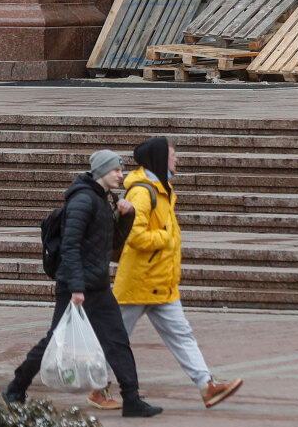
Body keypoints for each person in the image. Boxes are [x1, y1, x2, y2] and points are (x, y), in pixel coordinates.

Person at [3, 149, 163, 418]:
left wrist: (126, 216)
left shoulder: (103, 199)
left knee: (117, 340)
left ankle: (132, 399)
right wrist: (76, 287)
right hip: (74, 286)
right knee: (55, 340)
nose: (121, 175)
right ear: (102, 171)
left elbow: (113, 245)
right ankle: (16, 388)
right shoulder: (82, 200)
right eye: (116, 170)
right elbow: (70, 246)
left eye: (121, 170)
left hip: (97, 285)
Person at [93, 135, 243, 410]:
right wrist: (165, 238)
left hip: (161, 282)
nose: (177, 159)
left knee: (182, 335)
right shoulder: (142, 192)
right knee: (117, 338)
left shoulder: (162, 188)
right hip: (139, 282)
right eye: (173, 154)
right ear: (160, 159)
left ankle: (207, 386)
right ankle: (97, 387)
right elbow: (135, 236)